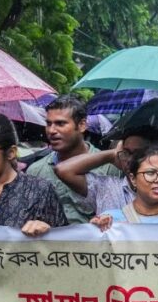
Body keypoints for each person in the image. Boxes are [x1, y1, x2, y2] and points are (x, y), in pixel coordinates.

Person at [55, 112, 158, 215]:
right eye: (126, 152)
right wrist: (112, 154)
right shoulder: (106, 187)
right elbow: (63, 170)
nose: (130, 159)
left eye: (137, 153)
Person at [26, 95, 119, 225]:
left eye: (60, 123)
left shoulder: (109, 167)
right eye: (48, 124)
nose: (51, 131)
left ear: (81, 125)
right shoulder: (36, 171)